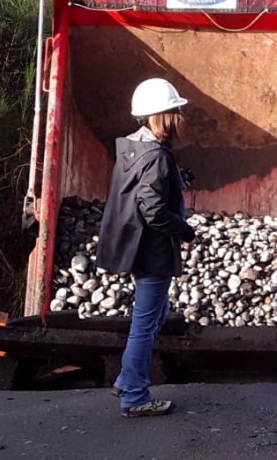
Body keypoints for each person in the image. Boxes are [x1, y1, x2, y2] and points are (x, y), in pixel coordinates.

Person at [97, 78, 196, 418]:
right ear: (164, 116)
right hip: (153, 251)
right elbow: (152, 208)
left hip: (136, 247)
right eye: (177, 110)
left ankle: (127, 380)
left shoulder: (134, 148)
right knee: (146, 321)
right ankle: (135, 396)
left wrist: (176, 179)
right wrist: (184, 229)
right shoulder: (156, 157)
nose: (181, 115)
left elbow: (144, 190)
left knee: (153, 316)